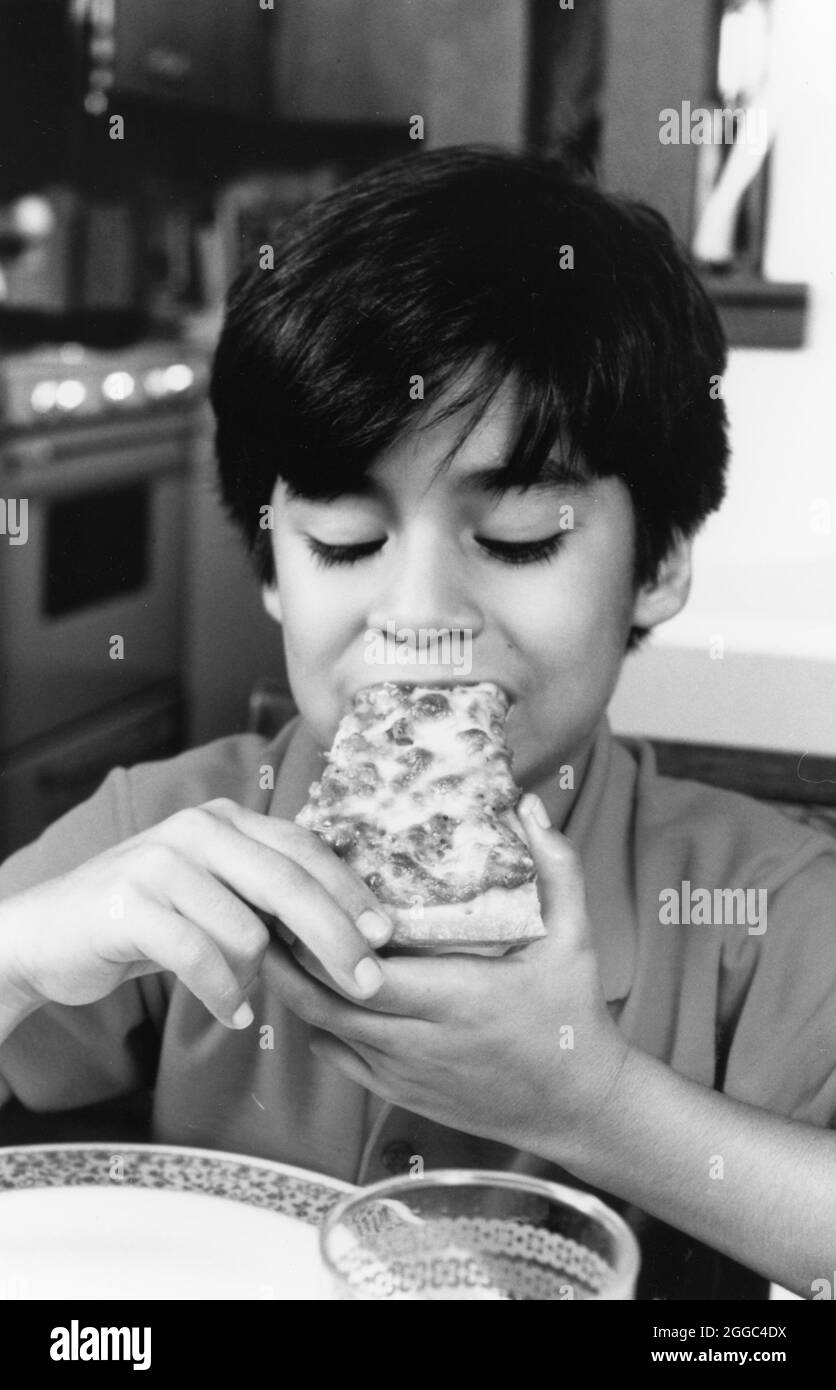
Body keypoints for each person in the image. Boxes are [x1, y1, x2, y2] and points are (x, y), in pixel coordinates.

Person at [0, 147, 833, 1301]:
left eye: (521, 536)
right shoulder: (167, 835)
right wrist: (22, 955)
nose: (422, 617)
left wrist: (586, 1103)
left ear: (658, 563)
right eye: (344, 541)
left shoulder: (768, 907)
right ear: (274, 571)